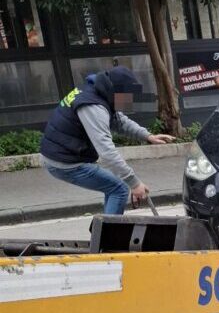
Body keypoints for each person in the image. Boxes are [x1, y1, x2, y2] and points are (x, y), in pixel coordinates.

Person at [39, 67, 175, 214]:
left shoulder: (98, 91)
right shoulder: (93, 107)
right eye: (126, 98)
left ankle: (104, 230)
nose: (128, 103)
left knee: (114, 187)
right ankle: (108, 235)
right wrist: (134, 183)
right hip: (63, 162)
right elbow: (107, 152)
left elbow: (119, 120)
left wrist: (147, 136)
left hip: (62, 154)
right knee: (119, 189)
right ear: (116, 92)